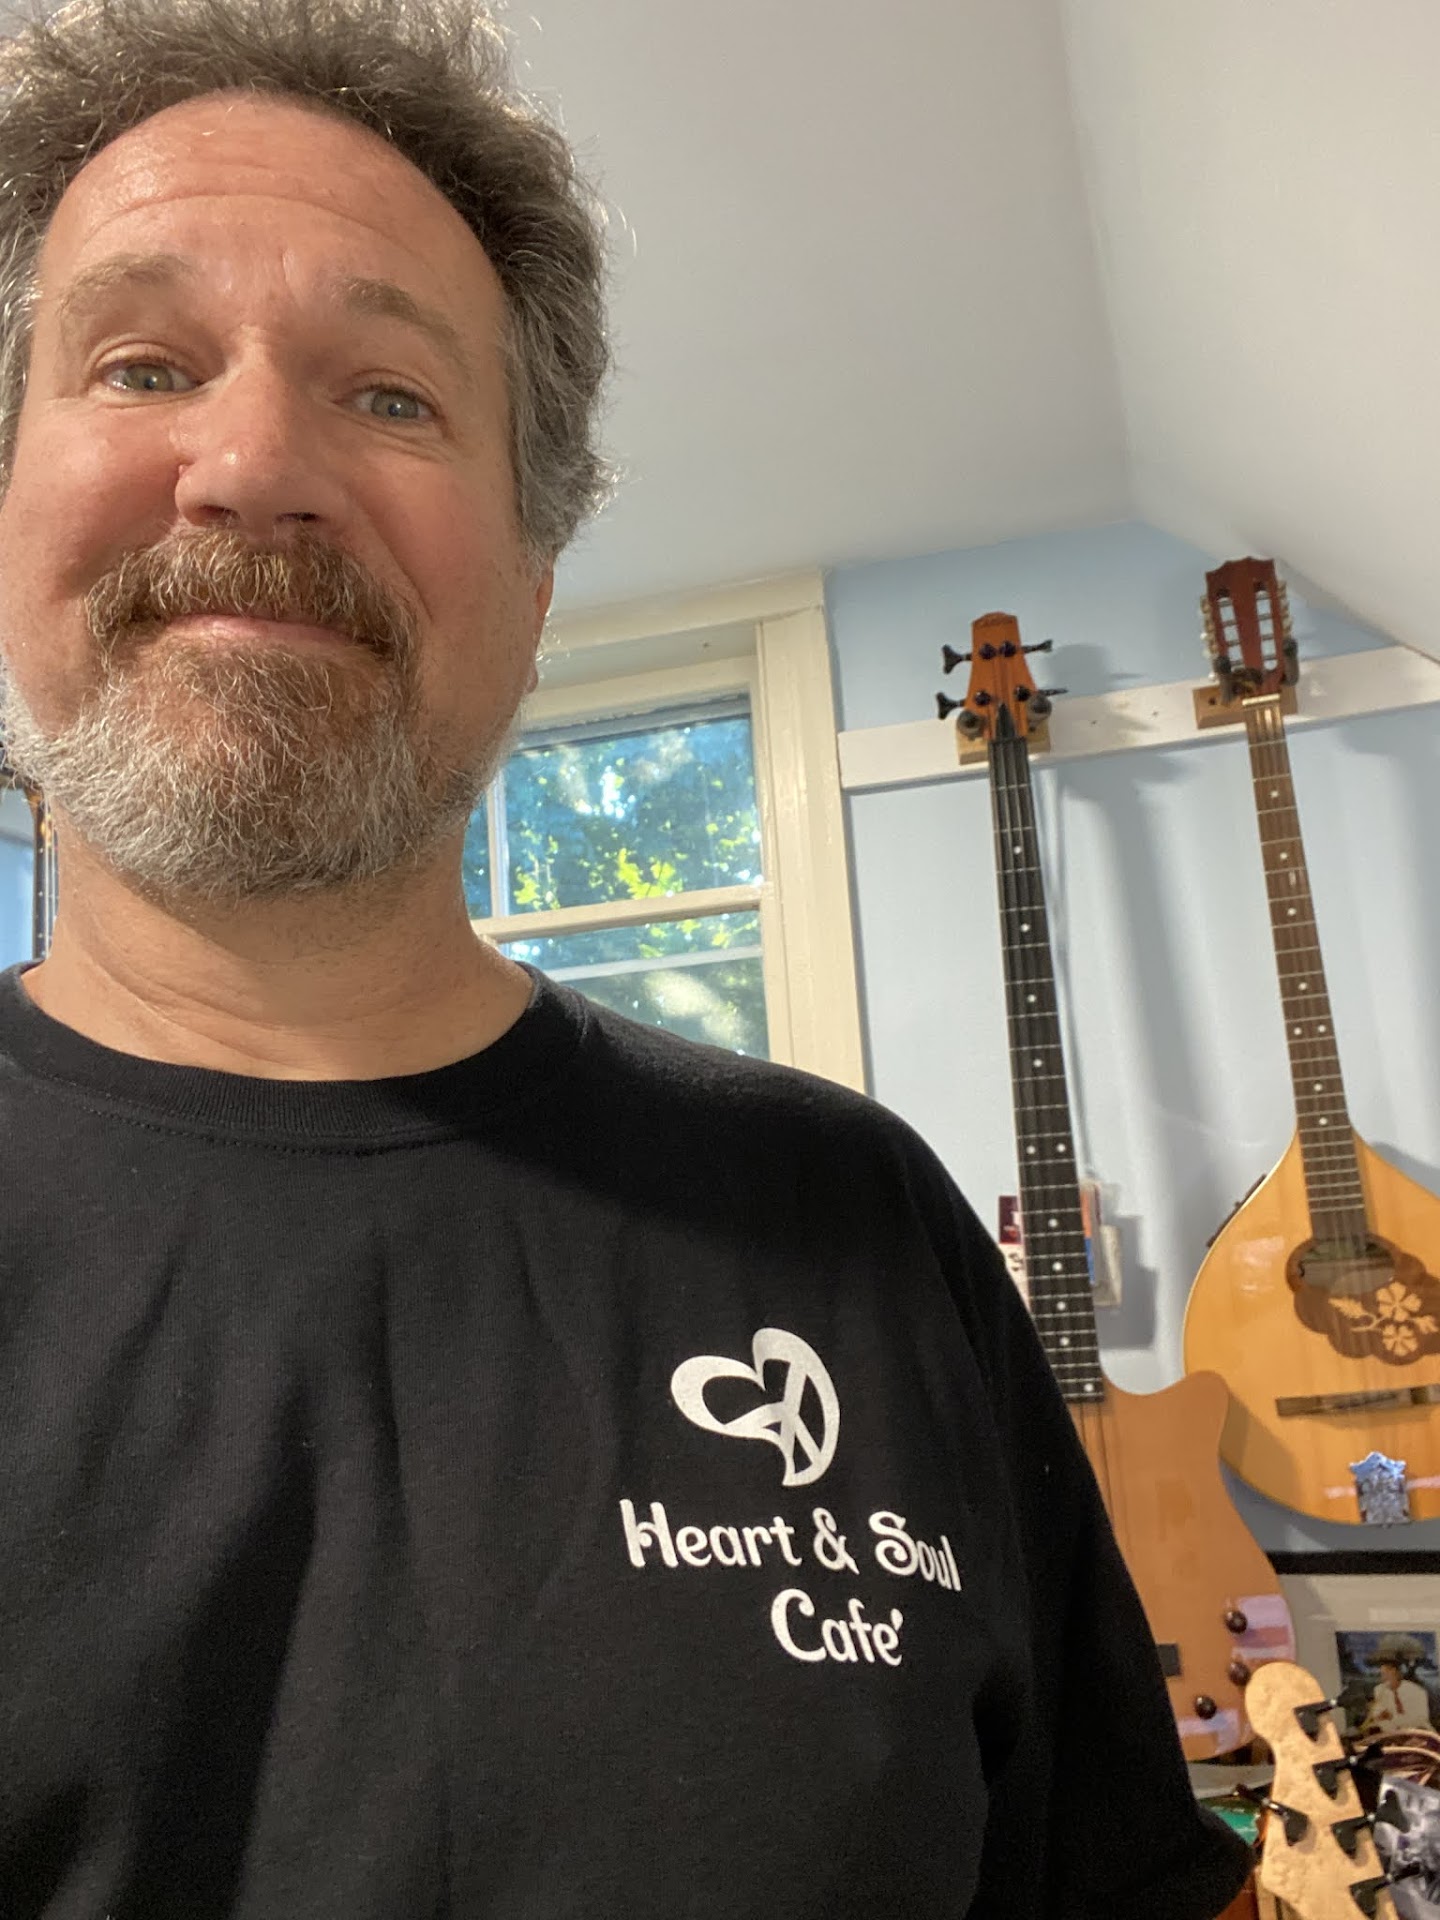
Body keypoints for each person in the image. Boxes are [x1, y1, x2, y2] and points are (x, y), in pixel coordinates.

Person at [0, 1, 1250, 1914]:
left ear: (531, 589)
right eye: (142, 362)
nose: (250, 462)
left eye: (391, 396)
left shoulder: (854, 1221)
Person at [1365, 1657, 1435, 1736]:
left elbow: (1420, 1720)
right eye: (1382, 1674)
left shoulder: (1416, 1691)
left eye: (1386, 1674)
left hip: (1420, 1732)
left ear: (1396, 1672)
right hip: (1393, 1734)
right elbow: (1379, 1716)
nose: (1383, 1678)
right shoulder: (1379, 1690)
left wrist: (1392, 1717)